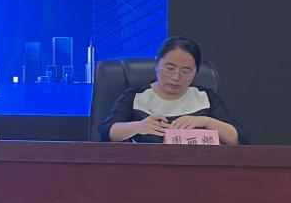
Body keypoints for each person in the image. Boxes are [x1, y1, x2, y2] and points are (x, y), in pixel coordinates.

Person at [99, 36, 247, 144]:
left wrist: (206, 121)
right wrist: (138, 126)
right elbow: (106, 132)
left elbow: (239, 138)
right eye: (169, 68)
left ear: (196, 71)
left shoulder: (205, 97)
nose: (176, 77)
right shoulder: (135, 97)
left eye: (186, 71)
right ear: (157, 64)